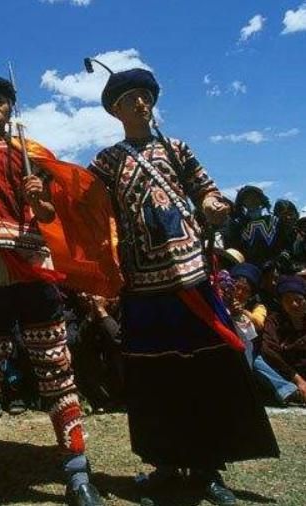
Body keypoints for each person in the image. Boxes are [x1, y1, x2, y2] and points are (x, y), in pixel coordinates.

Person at [86, 61, 279, 505]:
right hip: (142, 286)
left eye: (145, 96)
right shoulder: (109, 160)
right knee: (153, 376)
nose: (141, 103)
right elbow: (83, 201)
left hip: (191, 278)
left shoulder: (176, 149)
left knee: (207, 368)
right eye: (131, 99)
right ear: (116, 111)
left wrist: (212, 204)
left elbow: (206, 188)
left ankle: (209, 468)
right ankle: (166, 464)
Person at [0, 75, 122, 506]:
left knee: (55, 366)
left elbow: (50, 213)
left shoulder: (33, 153)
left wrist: (39, 198)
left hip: (34, 268)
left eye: (0, 101)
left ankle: (77, 474)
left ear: (10, 108)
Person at [261, 276, 306, 404]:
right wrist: (298, 379)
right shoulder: (274, 321)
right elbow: (268, 350)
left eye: (298, 299)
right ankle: (291, 392)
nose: (294, 304)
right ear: (281, 303)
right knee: (258, 361)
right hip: (287, 373)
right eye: (288, 300)